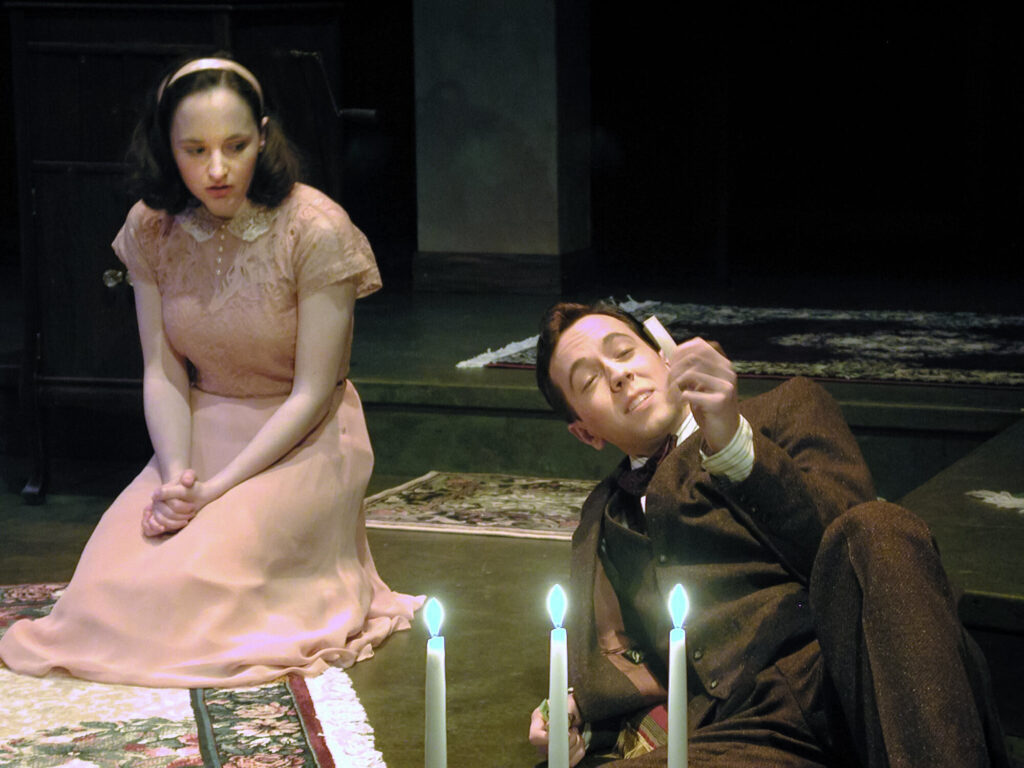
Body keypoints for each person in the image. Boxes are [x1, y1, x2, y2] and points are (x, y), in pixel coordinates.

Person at [0, 55, 423, 687]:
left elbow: (313, 393)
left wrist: (216, 489)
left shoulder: (314, 229)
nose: (217, 169)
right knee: (105, 593)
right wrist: (176, 479)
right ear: (167, 148)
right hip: (202, 432)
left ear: (264, 136)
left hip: (301, 438)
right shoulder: (151, 227)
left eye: (235, 146)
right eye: (195, 150)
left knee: (203, 588)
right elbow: (162, 370)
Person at [527, 301, 1009, 767]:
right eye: (589, 380)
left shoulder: (786, 408)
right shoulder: (607, 517)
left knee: (879, 527)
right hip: (749, 729)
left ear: (664, 353)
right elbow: (624, 653)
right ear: (585, 432)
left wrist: (735, 445)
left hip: (859, 669)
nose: (617, 374)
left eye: (624, 351)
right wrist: (569, 710)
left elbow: (852, 550)